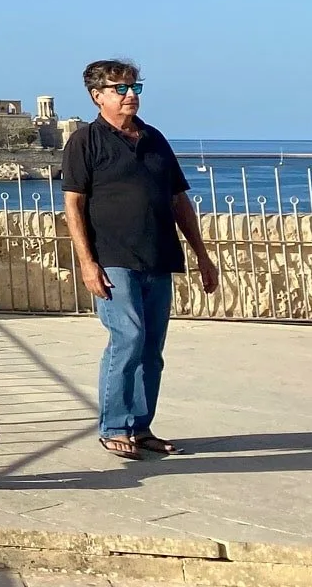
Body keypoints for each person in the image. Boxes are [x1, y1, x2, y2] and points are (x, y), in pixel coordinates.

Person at [62, 59, 219, 460]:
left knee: (151, 348)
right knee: (128, 337)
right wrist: (86, 262)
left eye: (134, 87)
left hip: (159, 256)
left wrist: (202, 254)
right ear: (97, 96)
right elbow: (74, 206)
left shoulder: (154, 139)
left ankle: (140, 426)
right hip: (113, 258)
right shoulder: (85, 142)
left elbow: (178, 199)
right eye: (120, 88)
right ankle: (113, 426)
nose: (130, 94)